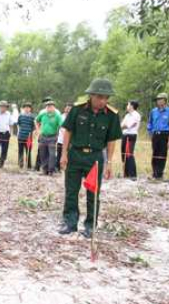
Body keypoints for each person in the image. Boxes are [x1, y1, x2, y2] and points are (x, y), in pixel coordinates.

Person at [59, 78, 122, 237]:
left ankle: (90, 226)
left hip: (95, 158)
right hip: (75, 155)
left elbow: (111, 140)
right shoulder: (77, 110)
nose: (103, 101)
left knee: (93, 193)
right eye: (100, 97)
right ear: (91, 95)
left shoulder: (111, 115)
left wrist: (109, 162)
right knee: (71, 191)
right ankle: (70, 223)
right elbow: (68, 131)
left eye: (106, 98)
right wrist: (64, 154)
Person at [147, 93, 169, 181]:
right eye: (157, 100)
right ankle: (154, 173)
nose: (158, 101)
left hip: (165, 134)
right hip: (155, 134)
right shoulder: (153, 111)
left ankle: (159, 174)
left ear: (165, 100)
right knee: (155, 154)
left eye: (160, 99)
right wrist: (150, 133)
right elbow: (150, 123)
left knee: (162, 154)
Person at [36, 100, 63, 175]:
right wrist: (38, 130)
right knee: (43, 153)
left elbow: (61, 125)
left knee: (52, 154)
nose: (49, 108)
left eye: (50, 106)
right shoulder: (43, 114)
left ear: (54, 107)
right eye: (47, 106)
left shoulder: (57, 115)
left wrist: (59, 134)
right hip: (43, 136)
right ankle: (44, 169)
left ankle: (51, 170)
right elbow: (36, 120)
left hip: (52, 137)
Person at [121, 100, 141, 180]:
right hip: (124, 135)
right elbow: (122, 125)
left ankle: (133, 174)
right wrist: (123, 126)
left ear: (132, 106)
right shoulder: (127, 115)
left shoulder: (136, 115)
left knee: (129, 154)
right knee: (124, 154)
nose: (127, 106)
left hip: (131, 135)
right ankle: (126, 174)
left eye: (128, 104)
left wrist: (123, 126)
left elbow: (129, 125)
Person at [56, 103, 73, 172]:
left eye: (70, 109)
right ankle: (58, 168)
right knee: (59, 154)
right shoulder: (61, 117)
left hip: (70, 140)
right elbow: (57, 127)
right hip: (60, 139)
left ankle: (67, 168)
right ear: (65, 109)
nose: (68, 110)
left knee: (69, 155)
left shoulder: (73, 118)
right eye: (67, 108)